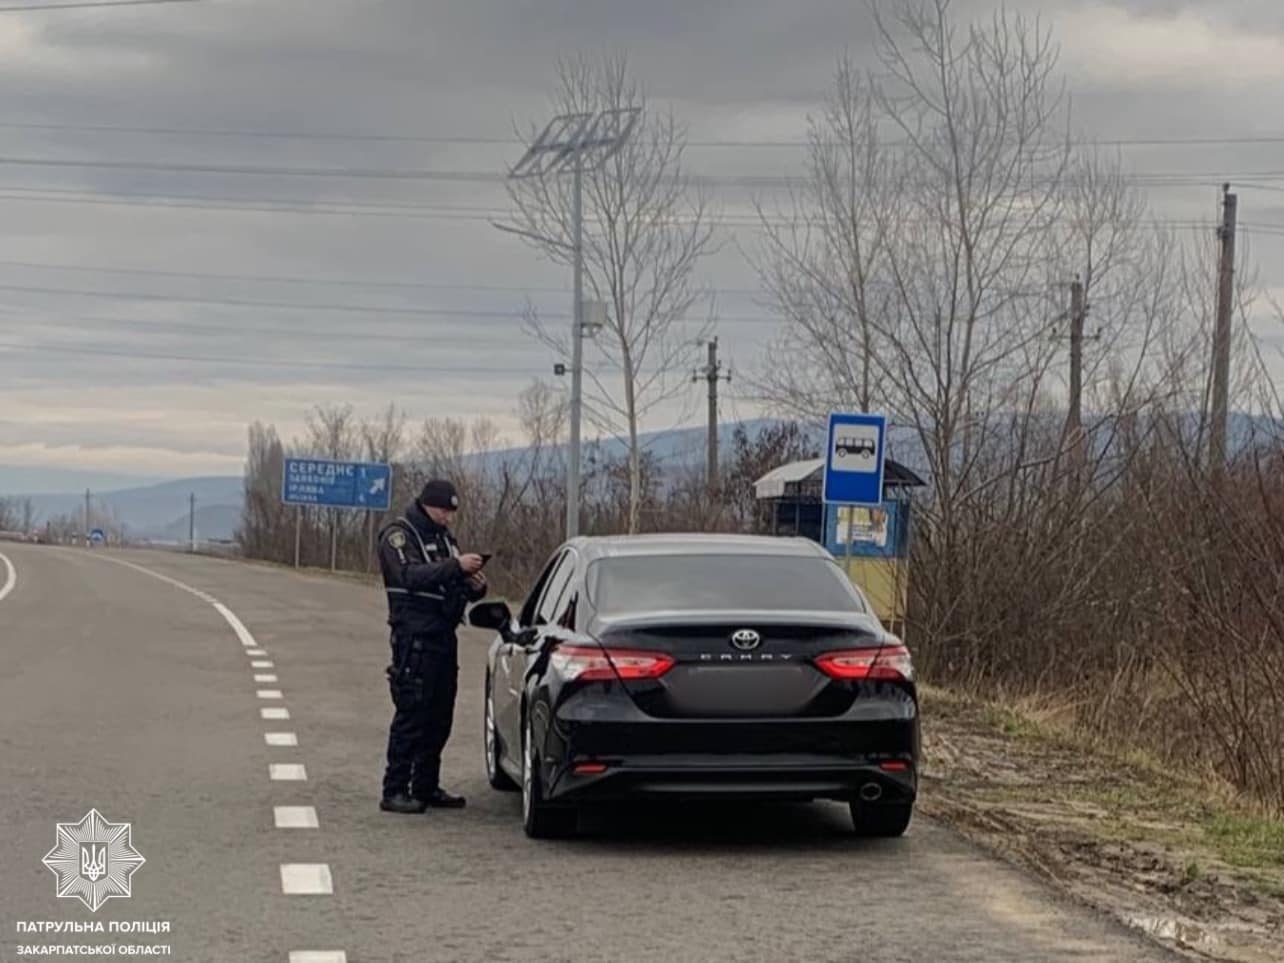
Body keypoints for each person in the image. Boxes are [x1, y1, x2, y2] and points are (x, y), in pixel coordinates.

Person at [376, 479, 487, 814]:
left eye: (452, 513)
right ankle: (394, 788)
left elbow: (447, 580)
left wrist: (473, 585)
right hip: (415, 637)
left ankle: (425, 785)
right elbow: (409, 576)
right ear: (427, 505)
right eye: (443, 511)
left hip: (443, 634)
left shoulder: (443, 538)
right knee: (412, 712)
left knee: (441, 715)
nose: (448, 518)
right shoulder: (399, 535)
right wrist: (456, 566)